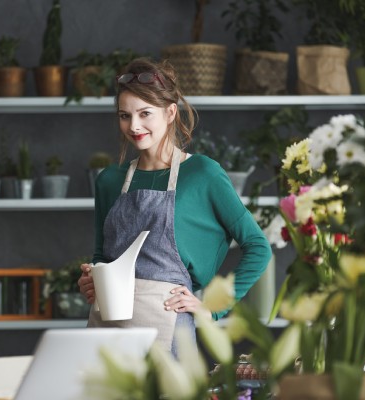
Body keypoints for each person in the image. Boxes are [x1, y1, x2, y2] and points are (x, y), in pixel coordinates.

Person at [78, 58, 272, 354]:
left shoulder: (203, 174)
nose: (134, 126)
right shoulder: (109, 180)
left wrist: (213, 308)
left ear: (170, 113)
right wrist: (91, 279)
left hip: (167, 327)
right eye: (124, 116)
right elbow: (102, 255)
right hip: (107, 329)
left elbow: (259, 246)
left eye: (145, 114)